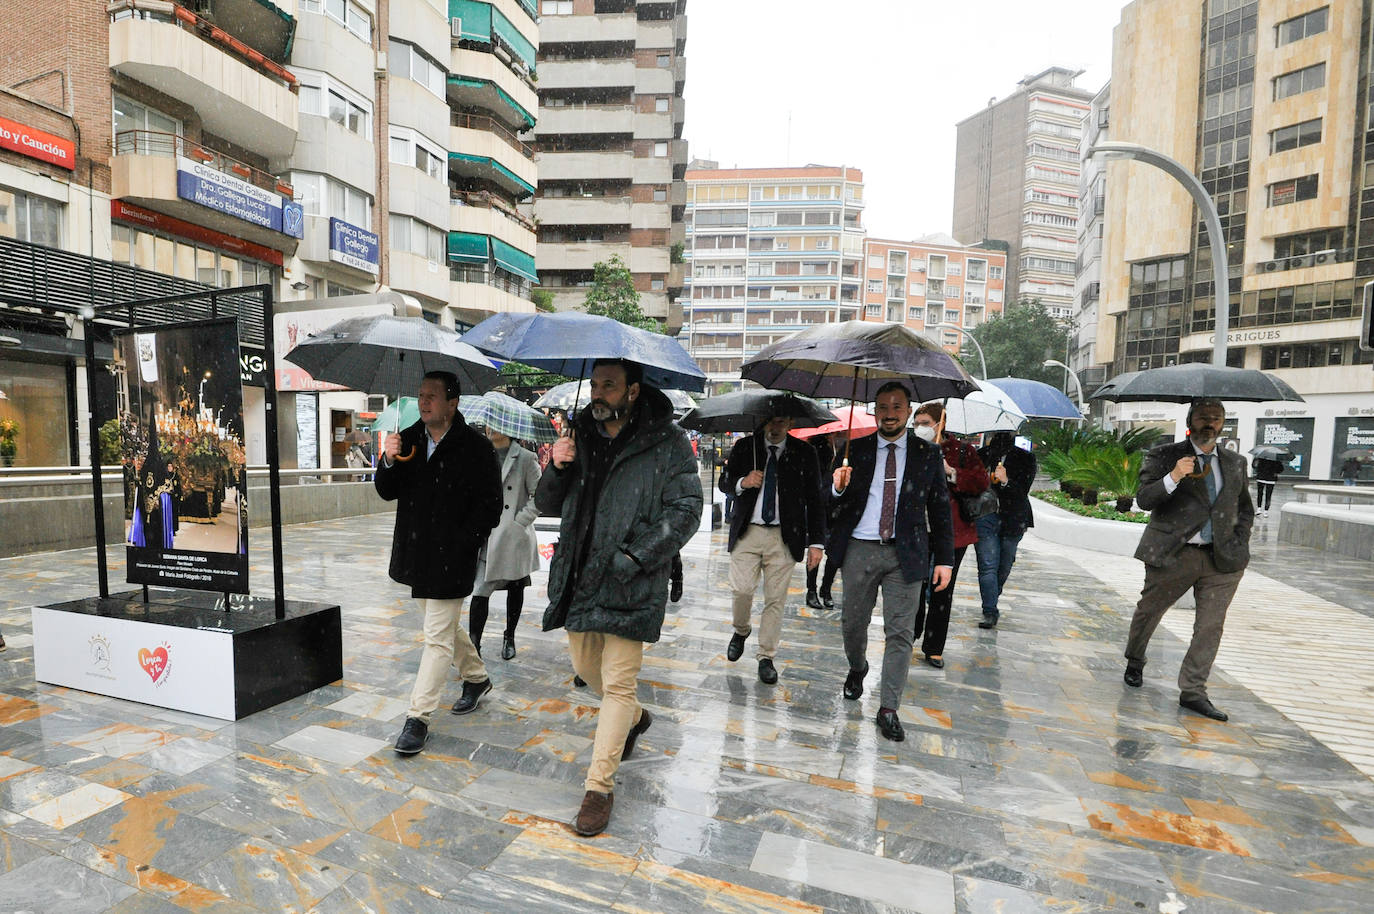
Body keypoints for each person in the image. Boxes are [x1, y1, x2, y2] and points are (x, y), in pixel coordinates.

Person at [535, 359, 701, 836]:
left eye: (608, 385)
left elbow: (687, 508)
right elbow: (548, 503)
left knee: (618, 684)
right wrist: (558, 465)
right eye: (595, 384)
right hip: (580, 576)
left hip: (632, 579)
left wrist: (637, 556)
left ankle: (598, 788)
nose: (598, 393)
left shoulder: (667, 442)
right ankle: (636, 719)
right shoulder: (579, 434)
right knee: (589, 672)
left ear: (632, 391)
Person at [376, 371, 503, 756]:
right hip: (417, 555)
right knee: (442, 627)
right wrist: (388, 459)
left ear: (453, 403)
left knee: (435, 638)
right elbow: (386, 491)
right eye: (420, 395)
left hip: (454, 559)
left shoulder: (476, 448)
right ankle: (477, 678)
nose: (424, 402)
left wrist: (465, 541)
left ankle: (418, 718)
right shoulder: (409, 439)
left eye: (432, 396)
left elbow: (491, 507)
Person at [828, 381, 954, 742]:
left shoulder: (927, 454)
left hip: (907, 553)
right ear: (875, 410)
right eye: (882, 406)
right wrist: (837, 486)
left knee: (900, 633)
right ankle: (858, 666)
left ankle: (889, 708)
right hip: (860, 549)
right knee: (853, 623)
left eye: (897, 407)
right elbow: (830, 501)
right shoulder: (854, 449)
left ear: (909, 411)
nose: (889, 413)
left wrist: (944, 559)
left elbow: (940, 509)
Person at [1124, 398, 1254, 722]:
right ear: (1190, 419)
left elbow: (1245, 510)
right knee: (1149, 612)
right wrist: (1173, 476)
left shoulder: (1235, 462)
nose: (1210, 423)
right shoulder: (1164, 455)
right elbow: (1144, 499)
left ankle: (1193, 692)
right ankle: (1135, 659)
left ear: (1223, 423)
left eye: (1217, 418)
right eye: (1203, 417)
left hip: (1221, 560)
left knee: (1210, 626)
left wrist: (1239, 543)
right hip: (1173, 553)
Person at [719, 412, 825, 684]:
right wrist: (744, 482)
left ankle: (766, 656)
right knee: (740, 590)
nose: (776, 427)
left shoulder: (804, 452)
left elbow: (815, 498)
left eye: (782, 421)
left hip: (784, 536)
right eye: (771, 421)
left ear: (791, 423)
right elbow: (724, 482)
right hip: (748, 532)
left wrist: (816, 542)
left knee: (775, 599)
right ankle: (741, 630)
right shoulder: (746, 447)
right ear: (764, 422)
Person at [912, 402, 989, 668]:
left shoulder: (963, 451)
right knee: (915, 584)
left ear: (940, 423)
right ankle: (911, 630)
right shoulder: (911, 449)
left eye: (925, 423)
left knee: (942, 589)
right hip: (918, 529)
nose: (921, 428)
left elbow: (981, 482)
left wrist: (951, 472)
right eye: (917, 423)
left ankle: (934, 647)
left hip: (952, 532)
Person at [468, 427, 541, 661]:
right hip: (487, 534)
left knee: (516, 586)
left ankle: (509, 636)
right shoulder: (480, 454)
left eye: (496, 424)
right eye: (488, 424)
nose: (490, 429)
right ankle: (473, 645)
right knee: (480, 590)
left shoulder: (526, 458)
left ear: (509, 428)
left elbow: (539, 495)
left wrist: (519, 522)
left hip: (513, 537)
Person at [974, 431, 1036, 629]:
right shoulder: (982, 455)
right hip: (986, 516)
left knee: (1004, 567)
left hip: (1013, 520)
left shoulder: (1025, 456)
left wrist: (1006, 480)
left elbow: (1023, 492)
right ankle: (990, 610)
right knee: (988, 566)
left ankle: (993, 594)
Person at [805, 431, 839, 609]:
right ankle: (811, 590)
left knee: (834, 555)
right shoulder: (815, 448)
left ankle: (826, 589)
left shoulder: (842, 448)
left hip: (836, 512)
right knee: (815, 551)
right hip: (818, 509)